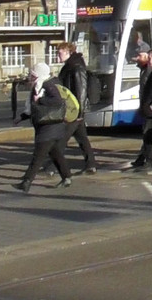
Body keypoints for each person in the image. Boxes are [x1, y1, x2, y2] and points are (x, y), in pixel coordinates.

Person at [14, 62, 73, 193]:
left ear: (38, 74)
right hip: (50, 126)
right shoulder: (39, 85)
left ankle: (26, 182)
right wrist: (22, 117)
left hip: (49, 127)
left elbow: (57, 101)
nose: (31, 77)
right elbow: (33, 108)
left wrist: (40, 100)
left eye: (33, 74)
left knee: (38, 156)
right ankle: (67, 177)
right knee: (56, 154)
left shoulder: (47, 84)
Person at [56, 42, 98, 174]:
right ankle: (91, 164)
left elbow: (81, 90)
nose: (58, 55)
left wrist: (78, 112)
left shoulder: (76, 67)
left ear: (68, 52)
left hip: (74, 110)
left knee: (61, 139)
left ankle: (50, 167)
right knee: (82, 138)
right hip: (73, 109)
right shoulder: (70, 66)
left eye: (60, 52)